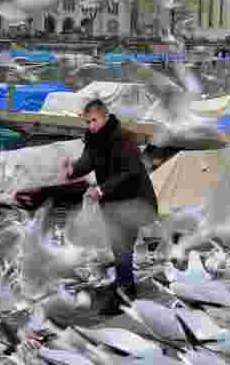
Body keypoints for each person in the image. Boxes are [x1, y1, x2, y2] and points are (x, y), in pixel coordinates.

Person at [62, 98, 158, 315]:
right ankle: (126, 285)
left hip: (133, 200)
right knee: (118, 246)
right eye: (87, 122)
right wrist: (72, 170)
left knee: (123, 246)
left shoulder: (124, 138)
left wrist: (101, 190)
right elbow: (87, 161)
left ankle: (124, 294)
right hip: (113, 203)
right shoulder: (94, 139)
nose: (91, 125)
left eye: (94, 120)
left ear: (105, 116)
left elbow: (130, 172)